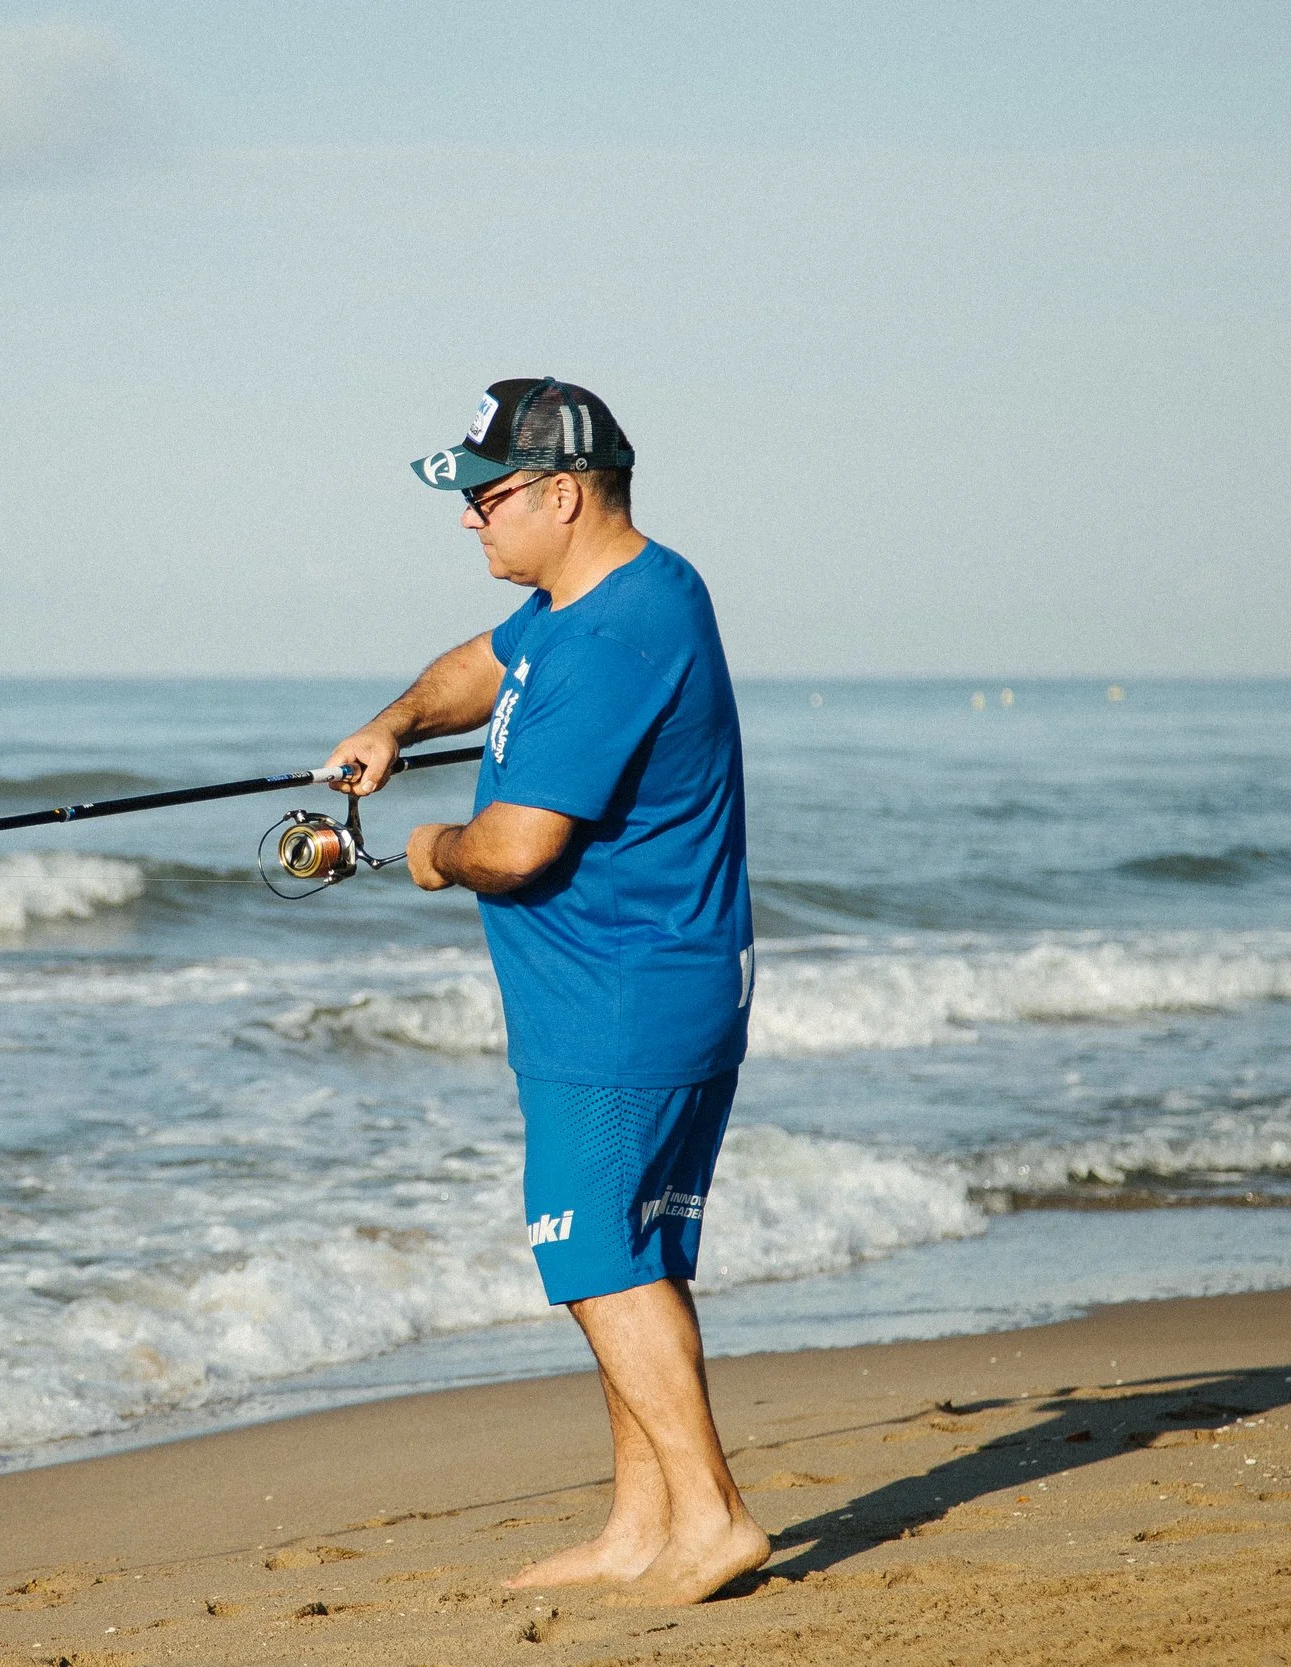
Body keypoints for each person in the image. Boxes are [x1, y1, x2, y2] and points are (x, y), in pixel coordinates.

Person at [325, 376, 768, 1606]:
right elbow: (487, 662)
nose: (470, 516)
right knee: (633, 1252)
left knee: (595, 1260)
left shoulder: (615, 637)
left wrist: (429, 851)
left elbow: (517, 847)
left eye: (487, 492)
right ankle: (641, 1523)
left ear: (561, 494)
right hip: (656, 983)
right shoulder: (609, 597)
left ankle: (715, 1517)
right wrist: (397, 722)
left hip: (621, 1000)